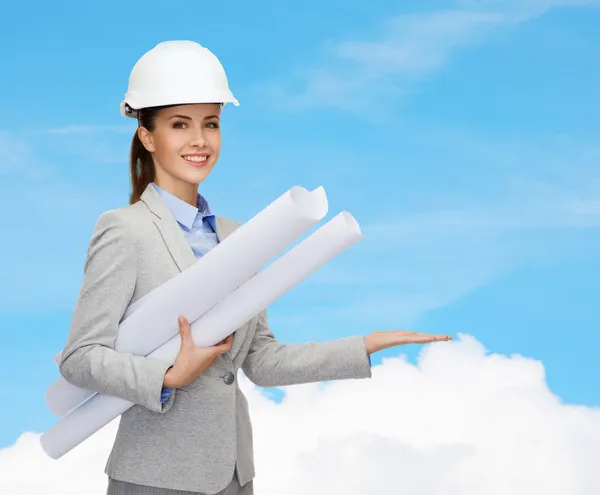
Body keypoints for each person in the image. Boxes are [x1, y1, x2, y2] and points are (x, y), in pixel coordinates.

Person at [58, 40, 452, 495]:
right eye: (179, 124)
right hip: (155, 477)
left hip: (233, 475)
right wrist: (167, 377)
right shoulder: (124, 230)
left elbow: (262, 361)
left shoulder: (238, 236)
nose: (199, 140)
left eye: (211, 123)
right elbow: (80, 357)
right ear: (147, 136)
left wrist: (363, 346)